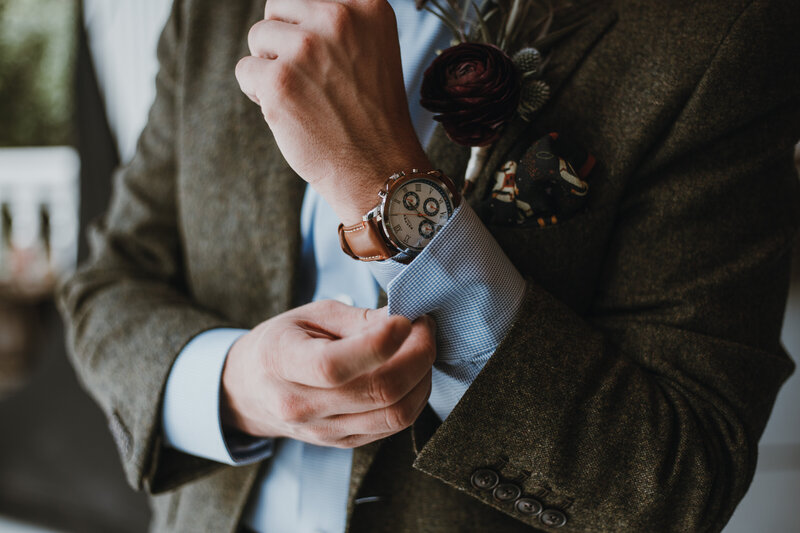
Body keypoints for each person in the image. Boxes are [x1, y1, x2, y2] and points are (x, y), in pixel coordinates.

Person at [59, 0, 800, 531]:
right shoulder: (215, 13)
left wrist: (381, 180)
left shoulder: (721, 29)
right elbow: (111, 280)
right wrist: (234, 383)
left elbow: (680, 481)